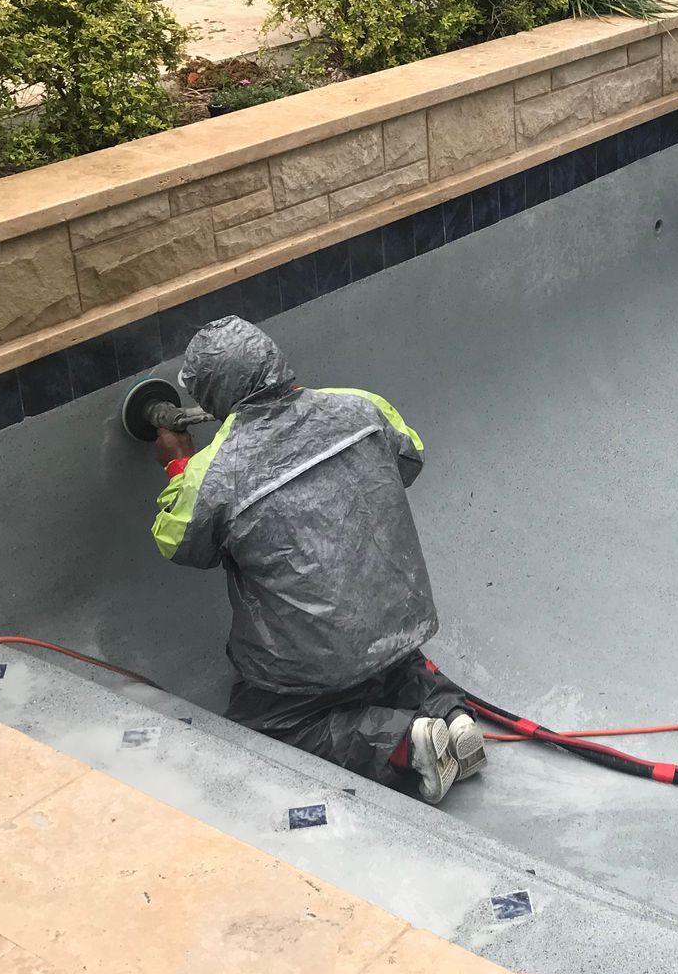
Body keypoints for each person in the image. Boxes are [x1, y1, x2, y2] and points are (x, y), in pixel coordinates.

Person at [148, 316, 485, 804]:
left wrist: (178, 463)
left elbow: (178, 542)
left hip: (309, 666)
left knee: (265, 725)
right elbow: (410, 458)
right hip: (398, 621)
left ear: (212, 394)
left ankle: (404, 746)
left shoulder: (216, 473)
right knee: (395, 668)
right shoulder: (362, 407)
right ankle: (454, 716)